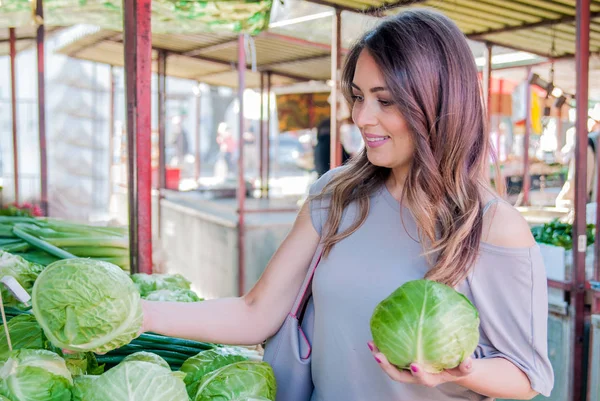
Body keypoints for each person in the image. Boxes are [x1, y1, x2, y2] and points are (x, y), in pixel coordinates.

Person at [140, 9, 554, 401]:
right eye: (358, 96)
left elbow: (527, 374)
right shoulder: (336, 195)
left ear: (439, 103)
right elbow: (255, 312)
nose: (362, 117)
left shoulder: (490, 223)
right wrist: (135, 314)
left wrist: (459, 372)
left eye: (385, 101)